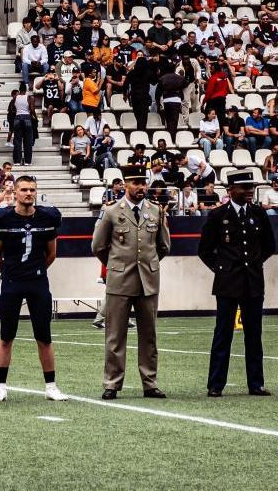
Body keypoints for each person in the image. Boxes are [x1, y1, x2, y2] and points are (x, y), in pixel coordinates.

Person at [92, 165, 171, 400]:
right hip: (120, 280)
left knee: (149, 335)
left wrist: (148, 263)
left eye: (143, 183)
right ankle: (112, 383)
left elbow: (164, 246)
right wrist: (117, 264)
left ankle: (150, 383)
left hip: (148, 279)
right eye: (136, 183)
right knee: (115, 335)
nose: (141, 187)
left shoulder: (156, 211)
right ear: (125, 184)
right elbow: (98, 246)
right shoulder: (111, 211)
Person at [0, 176, 68, 402]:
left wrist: (36, 271)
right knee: (6, 336)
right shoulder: (2, 218)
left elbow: (51, 254)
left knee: (44, 336)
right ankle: (1, 386)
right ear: (15, 191)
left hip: (38, 281)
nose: (28, 193)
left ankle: (51, 386)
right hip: (12, 281)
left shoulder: (49, 216)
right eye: (24, 189)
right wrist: (11, 273)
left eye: (32, 189)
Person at [198, 169, 275, 397]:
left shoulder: (259, 214)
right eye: (244, 188)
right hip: (227, 283)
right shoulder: (217, 215)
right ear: (231, 190)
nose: (249, 191)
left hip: (253, 281)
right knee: (223, 334)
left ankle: (256, 383)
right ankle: (216, 384)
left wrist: (253, 262)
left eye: (251, 187)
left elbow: (269, 246)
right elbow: (204, 251)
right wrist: (222, 268)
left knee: (254, 335)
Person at [11, 84, 36, 166]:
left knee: (17, 141)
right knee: (28, 141)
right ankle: (27, 161)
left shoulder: (15, 97)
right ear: (26, 90)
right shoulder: (29, 97)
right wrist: (35, 117)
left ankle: (17, 161)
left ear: (19, 89)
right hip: (27, 118)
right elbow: (32, 109)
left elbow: (12, 108)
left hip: (17, 118)